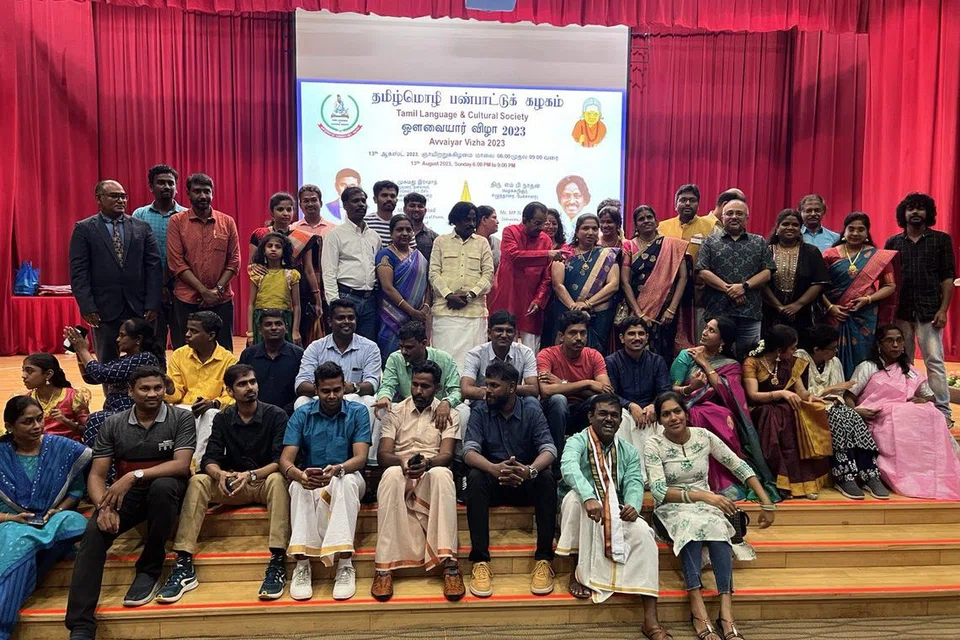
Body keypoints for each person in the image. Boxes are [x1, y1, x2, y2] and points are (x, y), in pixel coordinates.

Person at [65, 366, 195, 638]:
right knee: (94, 533)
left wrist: (133, 476)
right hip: (129, 496)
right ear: (130, 391)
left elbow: (181, 465)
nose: (153, 394)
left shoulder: (181, 417)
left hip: (169, 491)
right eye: (145, 389)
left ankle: (149, 569)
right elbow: (97, 475)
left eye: (158, 388)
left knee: (162, 487)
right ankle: (81, 624)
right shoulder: (113, 424)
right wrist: (103, 507)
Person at [645, 392, 776, 640]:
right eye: (666, 414)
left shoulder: (703, 436)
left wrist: (765, 501)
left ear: (686, 413)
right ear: (660, 420)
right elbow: (660, 491)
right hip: (671, 508)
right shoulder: (654, 444)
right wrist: (705, 497)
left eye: (677, 411)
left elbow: (737, 464)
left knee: (717, 524)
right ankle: (698, 609)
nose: (673, 418)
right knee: (692, 525)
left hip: (706, 506)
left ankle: (726, 613)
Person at [157, 365, 291, 603]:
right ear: (229, 391)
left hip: (261, 481)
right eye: (242, 384)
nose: (250, 388)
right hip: (231, 483)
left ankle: (278, 559)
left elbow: (280, 461)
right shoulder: (223, 418)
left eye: (252, 382)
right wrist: (219, 475)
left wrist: (250, 475)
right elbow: (210, 458)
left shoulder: (276, 415)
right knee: (198, 480)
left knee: (278, 479)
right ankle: (184, 561)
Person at [556, 395, 669, 640]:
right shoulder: (577, 441)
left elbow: (634, 481)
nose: (609, 419)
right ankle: (577, 571)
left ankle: (651, 619)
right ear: (590, 416)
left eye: (614, 415)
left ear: (620, 421)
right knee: (575, 501)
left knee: (644, 534)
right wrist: (588, 496)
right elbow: (569, 468)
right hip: (583, 505)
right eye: (603, 414)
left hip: (614, 507)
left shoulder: (627, 450)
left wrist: (633, 505)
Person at [463, 361, 557, 597]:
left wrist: (529, 471)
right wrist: (493, 468)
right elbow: (469, 452)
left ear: (512, 387)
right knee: (475, 476)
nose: (487, 390)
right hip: (495, 480)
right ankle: (480, 561)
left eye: (494, 386)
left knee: (546, 477)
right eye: (487, 384)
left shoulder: (531, 409)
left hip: (524, 480)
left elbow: (549, 450)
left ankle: (544, 560)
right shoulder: (480, 409)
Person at [372, 361, 464, 602]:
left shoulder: (450, 414)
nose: (418, 391)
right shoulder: (396, 412)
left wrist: (428, 463)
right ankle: (384, 568)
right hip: (401, 470)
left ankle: (450, 564)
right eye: (415, 385)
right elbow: (383, 455)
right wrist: (402, 462)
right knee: (390, 475)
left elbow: (446, 455)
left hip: (431, 470)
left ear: (437, 388)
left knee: (443, 474)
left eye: (425, 386)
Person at [280, 362, 371, 601]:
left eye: (337, 390)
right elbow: (285, 461)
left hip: (348, 475)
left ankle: (345, 564)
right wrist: (299, 475)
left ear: (344, 388)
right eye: (325, 391)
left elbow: (361, 458)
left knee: (345, 483)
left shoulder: (358, 412)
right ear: (316, 390)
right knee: (296, 487)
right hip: (313, 478)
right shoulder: (302, 413)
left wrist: (339, 469)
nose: (332, 396)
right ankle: (302, 565)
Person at [0, 397, 90, 638]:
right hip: (11, 523)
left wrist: (57, 509)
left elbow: (76, 491)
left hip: (51, 520)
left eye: (40, 419)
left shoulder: (61, 448)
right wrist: (9, 517)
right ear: (9, 426)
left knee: (76, 522)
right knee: (19, 540)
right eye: (27, 422)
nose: (37, 426)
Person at [846, 324, 960, 500]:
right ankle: (906, 477)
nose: (895, 345)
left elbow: (930, 396)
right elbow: (849, 396)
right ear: (879, 344)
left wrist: (924, 400)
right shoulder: (868, 367)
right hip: (878, 420)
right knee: (900, 417)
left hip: (906, 419)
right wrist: (857, 412)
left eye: (899, 341)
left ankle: (931, 475)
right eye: (890, 341)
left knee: (933, 413)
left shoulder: (910, 370)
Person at [670, 317, 777, 501]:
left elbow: (728, 394)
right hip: (687, 405)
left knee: (724, 415)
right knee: (699, 415)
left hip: (717, 408)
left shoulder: (731, 365)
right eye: (706, 328)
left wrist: (705, 364)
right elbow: (672, 389)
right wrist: (691, 387)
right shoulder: (686, 356)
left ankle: (729, 478)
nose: (705, 332)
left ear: (722, 341)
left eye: (712, 330)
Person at [69, 179, 163, 362]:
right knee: (107, 362)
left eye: (123, 196)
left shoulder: (142, 227)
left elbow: (154, 267)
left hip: (140, 307)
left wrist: (153, 303)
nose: (121, 200)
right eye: (114, 196)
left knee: (145, 360)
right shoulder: (84, 229)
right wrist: (87, 307)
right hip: (103, 310)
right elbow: (79, 272)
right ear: (99, 199)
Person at [884, 192, 956, 425]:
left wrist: (943, 310)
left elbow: (947, 278)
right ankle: (905, 406)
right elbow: (887, 280)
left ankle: (943, 412)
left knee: (934, 361)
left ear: (928, 213)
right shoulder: (893, 243)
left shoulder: (941, 240)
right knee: (902, 361)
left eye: (920, 208)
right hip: (901, 311)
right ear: (903, 214)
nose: (915, 212)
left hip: (930, 311)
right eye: (910, 208)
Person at [796, 324, 888, 500]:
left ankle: (870, 473)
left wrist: (833, 395)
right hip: (809, 407)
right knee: (839, 417)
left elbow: (839, 393)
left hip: (831, 405)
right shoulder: (799, 359)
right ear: (817, 349)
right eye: (832, 348)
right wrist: (829, 391)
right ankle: (844, 474)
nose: (836, 352)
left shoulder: (834, 361)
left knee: (853, 416)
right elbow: (802, 393)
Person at [743, 325, 833, 499]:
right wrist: (781, 393)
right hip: (761, 409)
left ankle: (804, 484)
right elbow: (753, 395)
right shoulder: (752, 362)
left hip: (785, 408)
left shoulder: (791, 363)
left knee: (798, 416)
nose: (795, 351)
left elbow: (801, 391)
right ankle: (782, 485)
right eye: (792, 348)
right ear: (779, 350)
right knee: (775, 417)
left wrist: (811, 398)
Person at [166, 173, 241, 350]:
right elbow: (176, 262)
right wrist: (203, 291)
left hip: (221, 300)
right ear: (188, 193)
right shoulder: (177, 221)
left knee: (223, 351)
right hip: (187, 299)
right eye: (197, 191)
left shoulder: (227, 222)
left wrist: (216, 291)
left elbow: (234, 261)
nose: (202, 196)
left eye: (207, 191)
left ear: (212, 193)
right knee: (187, 352)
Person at [64, 319, 163, 447]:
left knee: (95, 420)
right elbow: (91, 378)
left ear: (138, 339)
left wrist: (83, 350)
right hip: (116, 411)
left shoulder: (145, 358)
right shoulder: (125, 359)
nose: (117, 339)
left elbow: (101, 373)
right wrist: (79, 351)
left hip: (133, 411)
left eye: (122, 335)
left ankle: (94, 458)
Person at [822, 212, 897, 378]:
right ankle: (832, 386)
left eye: (861, 229)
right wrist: (830, 307)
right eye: (851, 229)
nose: (855, 233)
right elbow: (818, 285)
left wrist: (868, 299)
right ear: (844, 231)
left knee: (863, 352)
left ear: (867, 232)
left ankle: (860, 388)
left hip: (864, 314)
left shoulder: (878, 257)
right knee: (830, 351)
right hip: (834, 314)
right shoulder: (829, 254)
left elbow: (890, 285)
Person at [697, 199, 774, 359]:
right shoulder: (709, 241)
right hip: (717, 311)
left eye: (739, 213)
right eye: (729, 213)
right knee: (713, 356)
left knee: (749, 357)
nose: (734, 216)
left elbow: (767, 272)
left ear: (747, 217)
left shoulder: (759, 242)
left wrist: (743, 287)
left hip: (750, 311)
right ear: (722, 217)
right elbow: (703, 271)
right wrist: (731, 290)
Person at [165, 311, 238, 466]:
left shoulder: (228, 360)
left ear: (211, 335)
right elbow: (176, 396)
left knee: (209, 414)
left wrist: (213, 403)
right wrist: (170, 388)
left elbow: (231, 396)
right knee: (177, 412)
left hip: (213, 411)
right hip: (184, 409)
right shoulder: (179, 355)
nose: (187, 334)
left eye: (194, 331)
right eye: (188, 329)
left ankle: (198, 465)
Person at [538, 311, 612, 461]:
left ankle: (595, 457)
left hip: (581, 411)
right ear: (561, 336)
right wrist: (588, 383)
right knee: (558, 400)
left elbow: (606, 394)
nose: (579, 338)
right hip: (553, 412)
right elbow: (546, 390)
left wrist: (563, 384)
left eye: (583, 333)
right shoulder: (547, 354)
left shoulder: (594, 356)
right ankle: (556, 459)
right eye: (572, 333)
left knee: (597, 402)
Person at [429, 201, 494, 370]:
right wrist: (448, 295)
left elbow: (488, 275)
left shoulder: (482, 243)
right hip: (445, 312)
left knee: (471, 364)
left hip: (474, 313)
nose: (471, 224)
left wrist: (470, 295)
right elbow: (433, 273)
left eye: (474, 220)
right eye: (466, 220)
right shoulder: (440, 241)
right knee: (444, 363)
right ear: (455, 220)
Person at [486, 202, 560, 350]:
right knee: (501, 345)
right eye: (537, 223)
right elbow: (514, 257)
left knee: (530, 351)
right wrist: (546, 254)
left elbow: (546, 277)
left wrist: (539, 299)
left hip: (531, 304)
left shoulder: (545, 240)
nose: (541, 228)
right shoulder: (510, 232)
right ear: (525, 220)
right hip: (508, 297)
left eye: (543, 223)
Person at [250, 192, 321, 343]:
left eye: (289, 209)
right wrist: (254, 268)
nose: (285, 213)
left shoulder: (304, 237)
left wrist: (317, 298)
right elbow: (252, 264)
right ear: (272, 212)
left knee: (295, 339)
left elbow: (309, 269)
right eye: (280, 209)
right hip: (267, 292)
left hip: (297, 291)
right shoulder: (260, 234)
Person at [620, 205, 689, 359]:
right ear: (636, 225)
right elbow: (625, 282)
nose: (646, 221)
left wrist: (671, 309)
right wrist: (639, 313)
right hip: (637, 307)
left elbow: (683, 277)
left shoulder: (673, 245)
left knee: (665, 350)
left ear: (656, 221)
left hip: (665, 309)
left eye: (649, 217)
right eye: (641, 219)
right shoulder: (629, 246)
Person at [294, 299, 381, 420]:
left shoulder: (370, 348)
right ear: (330, 322)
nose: (347, 322)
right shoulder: (316, 347)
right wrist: (328, 390)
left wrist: (353, 387)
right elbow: (301, 385)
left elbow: (372, 385)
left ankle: (364, 434)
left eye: (351, 318)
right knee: (302, 401)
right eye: (340, 318)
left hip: (353, 400)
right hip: (323, 400)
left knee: (370, 401)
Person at [545, 214, 620, 353]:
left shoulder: (608, 255)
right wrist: (575, 308)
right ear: (577, 231)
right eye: (585, 228)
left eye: (594, 228)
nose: (590, 232)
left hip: (597, 315)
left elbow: (613, 285)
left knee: (594, 355)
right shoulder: (564, 254)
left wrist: (587, 304)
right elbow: (558, 285)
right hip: (566, 311)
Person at [132, 164, 188, 349]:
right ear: (151, 186)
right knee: (153, 342)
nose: (166, 187)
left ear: (176, 187)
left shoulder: (186, 215)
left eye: (171, 183)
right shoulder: (139, 215)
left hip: (181, 287)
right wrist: (157, 285)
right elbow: (136, 253)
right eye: (161, 182)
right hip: (149, 289)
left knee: (183, 342)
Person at [375, 321, 462, 439]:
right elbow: (387, 386)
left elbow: (456, 390)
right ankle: (377, 451)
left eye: (409, 347)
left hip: (437, 409)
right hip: (407, 409)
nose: (403, 352)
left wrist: (446, 403)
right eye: (401, 346)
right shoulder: (395, 358)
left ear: (424, 343)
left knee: (463, 411)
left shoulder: (444, 359)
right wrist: (384, 396)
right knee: (382, 409)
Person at [658, 184, 717, 353]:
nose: (687, 203)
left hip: (698, 291)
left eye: (692, 200)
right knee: (667, 335)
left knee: (696, 333)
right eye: (683, 200)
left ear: (698, 204)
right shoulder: (662, 227)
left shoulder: (710, 227)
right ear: (675, 204)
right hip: (667, 291)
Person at [320, 186, 382, 341]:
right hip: (345, 297)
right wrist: (334, 304)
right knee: (342, 344)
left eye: (363, 201)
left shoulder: (374, 236)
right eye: (355, 201)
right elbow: (328, 271)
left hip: (369, 299)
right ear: (345, 205)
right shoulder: (335, 235)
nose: (361, 204)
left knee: (367, 345)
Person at [459, 310, 540, 427]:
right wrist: (500, 392)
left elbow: (533, 389)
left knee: (532, 403)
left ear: (515, 334)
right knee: (477, 407)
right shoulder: (475, 354)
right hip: (485, 401)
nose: (504, 335)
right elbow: (466, 389)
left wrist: (501, 390)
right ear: (489, 333)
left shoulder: (525, 352)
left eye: (509, 331)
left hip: (514, 402)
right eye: (499, 330)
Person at [605, 317, 671, 454]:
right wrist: (630, 406)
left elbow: (665, 391)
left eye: (641, 334)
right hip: (624, 409)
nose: (637, 338)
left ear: (647, 337)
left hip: (651, 410)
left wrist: (654, 405)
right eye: (631, 334)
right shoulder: (612, 362)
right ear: (622, 338)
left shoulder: (657, 361)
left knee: (664, 415)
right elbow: (610, 394)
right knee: (621, 418)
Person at [761, 209, 830, 335]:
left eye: (795, 225)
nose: (790, 228)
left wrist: (798, 304)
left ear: (800, 230)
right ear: (777, 228)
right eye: (785, 224)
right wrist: (778, 306)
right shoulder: (766, 251)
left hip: (804, 312)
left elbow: (819, 282)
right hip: (770, 311)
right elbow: (761, 282)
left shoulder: (811, 252)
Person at [376, 214, 430, 360]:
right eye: (399, 230)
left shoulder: (419, 256)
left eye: (408, 230)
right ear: (391, 233)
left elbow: (427, 285)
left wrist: (425, 308)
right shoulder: (385, 255)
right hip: (391, 318)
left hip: (417, 319)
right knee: (391, 358)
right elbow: (387, 288)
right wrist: (411, 311)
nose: (404, 233)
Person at [239, 310, 305, 415]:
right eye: (268, 324)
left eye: (278, 324)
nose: (274, 328)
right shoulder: (248, 355)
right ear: (260, 330)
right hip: (254, 414)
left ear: (286, 328)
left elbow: (302, 390)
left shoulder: (299, 355)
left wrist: (282, 413)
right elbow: (240, 385)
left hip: (290, 415)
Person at [291, 184, 332, 344]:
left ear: (320, 202)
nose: (310, 204)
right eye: (305, 201)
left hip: (327, 285)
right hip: (301, 288)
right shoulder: (293, 229)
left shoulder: (333, 229)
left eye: (313, 200)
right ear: (300, 205)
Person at [21, 353, 91, 443]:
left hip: (69, 447)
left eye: (29, 371)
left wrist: (66, 421)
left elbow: (89, 431)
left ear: (48, 374)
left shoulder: (72, 397)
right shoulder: (27, 400)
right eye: (23, 370)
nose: (23, 375)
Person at [246, 233, 302, 346]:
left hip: (284, 319)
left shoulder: (291, 275)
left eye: (278, 247)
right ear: (263, 250)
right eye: (269, 246)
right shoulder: (257, 274)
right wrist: (250, 332)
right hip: (260, 318)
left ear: (284, 251)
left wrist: (295, 330)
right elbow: (251, 304)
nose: (273, 249)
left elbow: (296, 305)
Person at [364, 180, 409, 248]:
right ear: (375, 199)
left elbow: (412, 251)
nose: (389, 199)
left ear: (396, 200)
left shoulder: (404, 224)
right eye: (384, 195)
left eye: (392, 196)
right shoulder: (365, 223)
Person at [403, 192, 438, 264]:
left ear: (425, 211)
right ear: (404, 209)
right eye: (412, 206)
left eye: (420, 206)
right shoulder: (396, 235)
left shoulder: (434, 238)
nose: (416, 209)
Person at [476, 205, 501, 272]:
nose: (497, 222)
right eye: (494, 217)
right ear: (484, 220)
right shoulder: (469, 242)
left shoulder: (498, 243)